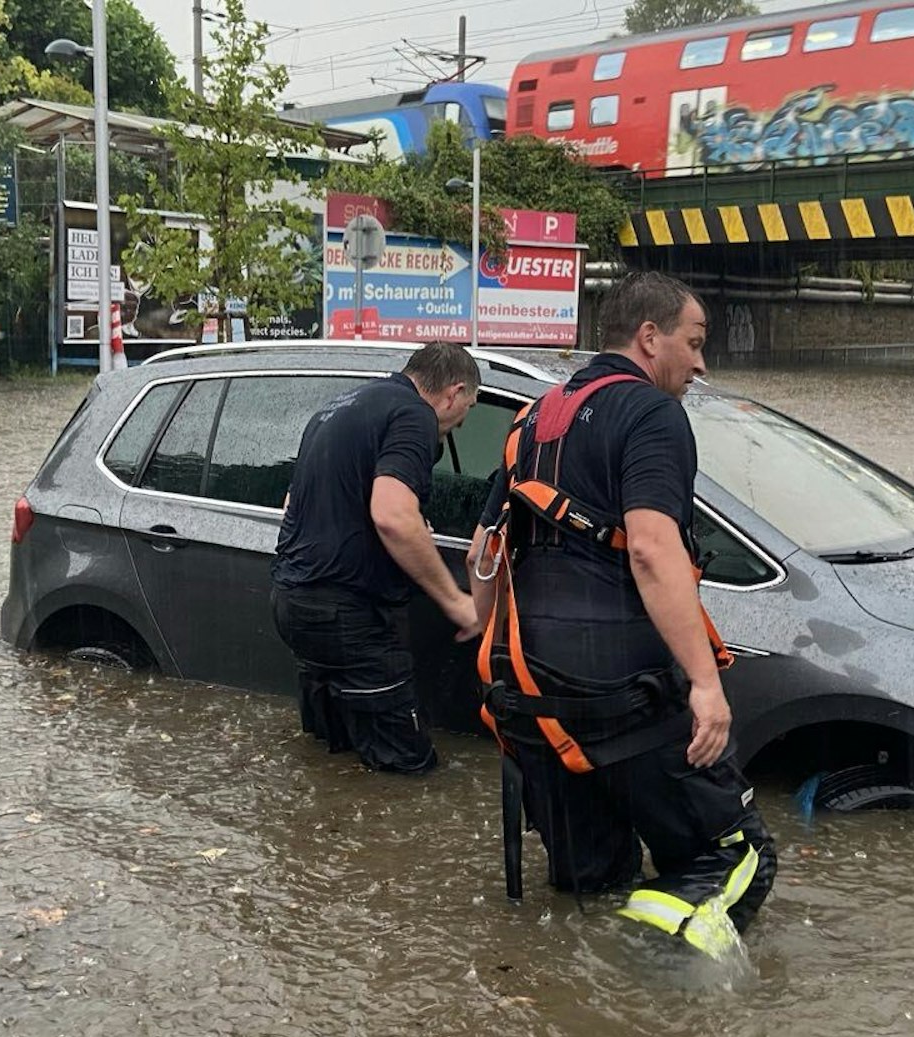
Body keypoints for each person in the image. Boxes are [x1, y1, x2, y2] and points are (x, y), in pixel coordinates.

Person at [469, 272, 775, 961]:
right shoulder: (651, 414)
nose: (700, 363)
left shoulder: (529, 418)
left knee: (593, 881)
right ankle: (646, 997)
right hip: (621, 686)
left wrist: (491, 646)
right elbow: (651, 546)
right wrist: (703, 680)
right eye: (693, 343)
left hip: (525, 695)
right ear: (649, 337)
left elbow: (483, 562)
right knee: (738, 857)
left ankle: (579, 1021)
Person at [271, 342, 483, 775]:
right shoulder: (414, 415)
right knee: (408, 772)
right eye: (469, 408)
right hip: (349, 614)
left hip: (292, 602)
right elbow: (390, 516)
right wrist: (456, 602)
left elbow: (294, 500)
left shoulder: (340, 408)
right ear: (453, 393)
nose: (461, 423)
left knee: (335, 756)